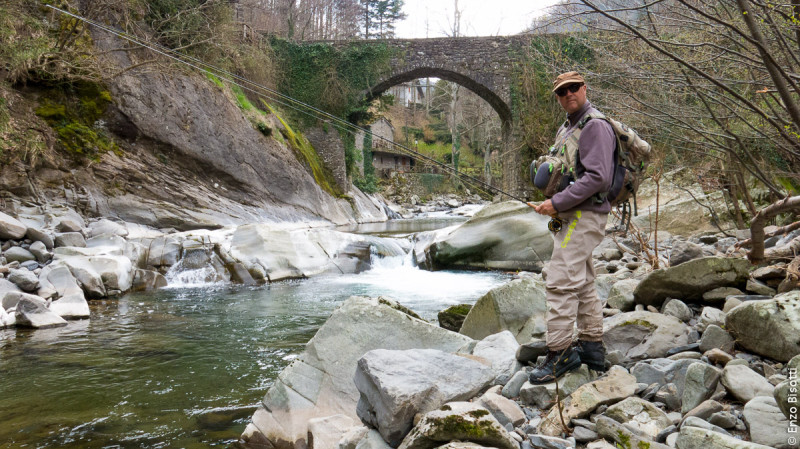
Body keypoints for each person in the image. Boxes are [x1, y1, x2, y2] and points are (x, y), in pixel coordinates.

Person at [528, 71, 616, 383]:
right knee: (582, 281)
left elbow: (598, 178)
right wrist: (551, 203)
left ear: (584, 88)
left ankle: (560, 353)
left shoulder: (594, 126)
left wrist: (557, 203)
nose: (568, 94)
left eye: (573, 88)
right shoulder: (568, 127)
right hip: (572, 215)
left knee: (560, 280)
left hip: (583, 215)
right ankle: (591, 348)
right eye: (562, 91)